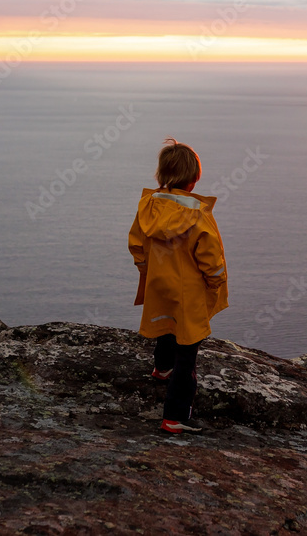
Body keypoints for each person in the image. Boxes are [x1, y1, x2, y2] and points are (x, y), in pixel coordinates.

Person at [128, 137, 229, 434]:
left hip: (159, 283)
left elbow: (136, 244)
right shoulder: (198, 216)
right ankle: (175, 417)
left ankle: (161, 369)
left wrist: (147, 271)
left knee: (165, 325)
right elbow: (211, 260)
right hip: (189, 292)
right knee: (188, 352)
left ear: (162, 174)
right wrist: (215, 283)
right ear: (194, 179)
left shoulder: (148, 206)